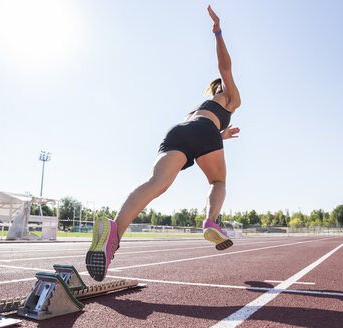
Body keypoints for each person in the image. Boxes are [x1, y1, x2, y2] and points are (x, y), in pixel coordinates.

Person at [86, 5, 241, 282]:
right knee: (218, 182)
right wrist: (217, 31)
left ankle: (113, 236)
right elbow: (225, 67)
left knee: (155, 183)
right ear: (224, 89)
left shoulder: (202, 104)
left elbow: (203, 126)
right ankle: (211, 222)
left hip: (178, 131)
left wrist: (221, 134)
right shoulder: (231, 100)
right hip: (206, 132)